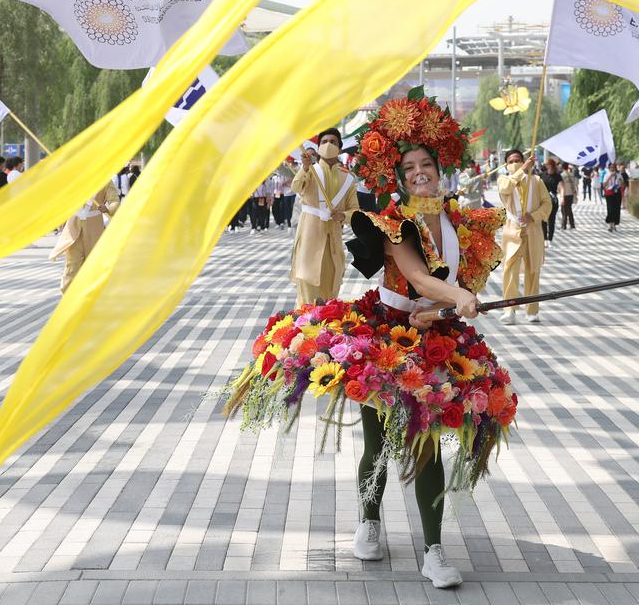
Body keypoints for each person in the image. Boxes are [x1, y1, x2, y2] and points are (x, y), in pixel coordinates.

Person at [223, 91, 513, 589]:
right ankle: (369, 519)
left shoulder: (461, 221)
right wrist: (450, 296)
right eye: (410, 167)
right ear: (398, 179)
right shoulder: (396, 222)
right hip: (385, 333)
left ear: (440, 169)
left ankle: (434, 550)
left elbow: (453, 287)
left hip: (436, 336)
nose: (420, 172)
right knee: (378, 441)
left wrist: (450, 305)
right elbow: (420, 279)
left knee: (429, 444)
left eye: (427, 164)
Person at [289, 127, 358, 306]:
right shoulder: (310, 172)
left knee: (330, 294)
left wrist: (343, 215)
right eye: (324, 142)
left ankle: (326, 333)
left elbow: (355, 212)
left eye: (333, 142)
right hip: (309, 240)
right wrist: (304, 167)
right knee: (307, 296)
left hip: (333, 242)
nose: (328, 145)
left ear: (340, 148)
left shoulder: (348, 179)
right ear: (318, 147)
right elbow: (296, 188)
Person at [498, 149, 552, 324]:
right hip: (512, 231)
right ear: (506, 164)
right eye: (511, 161)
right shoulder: (504, 180)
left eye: (518, 160)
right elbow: (506, 188)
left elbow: (547, 203)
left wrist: (534, 215)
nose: (515, 163)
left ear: (524, 160)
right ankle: (509, 309)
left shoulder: (536, 181)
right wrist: (523, 170)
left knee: (533, 270)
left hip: (533, 231)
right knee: (510, 270)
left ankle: (532, 310)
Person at [50, 181, 120, 293]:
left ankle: (89, 301)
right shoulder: (78, 176)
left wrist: (108, 209)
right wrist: (61, 224)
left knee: (93, 268)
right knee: (71, 269)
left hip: (94, 230)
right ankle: (67, 299)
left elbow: (115, 201)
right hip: (73, 230)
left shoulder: (105, 180)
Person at [539, 158, 561, 247]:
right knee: (543, 219)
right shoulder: (542, 175)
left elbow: (561, 186)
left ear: (551, 165)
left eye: (547, 164)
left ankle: (550, 239)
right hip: (543, 200)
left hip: (553, 200)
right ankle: (544, 239)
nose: (545, 166)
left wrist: (562, 197)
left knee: (552, 220)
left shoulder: (557, 176)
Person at [602, 162, 623, 232]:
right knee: (610, 209)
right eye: (611, 167)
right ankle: (610, 224)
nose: (612, 169)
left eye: (613, 167)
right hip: (609, 193)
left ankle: (614, 224)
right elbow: (604, 185)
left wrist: (620, 182)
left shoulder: (618, 174)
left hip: (617, 193)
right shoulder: (606, 175)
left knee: (616, 209)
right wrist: (610, 177)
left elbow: (622, 184)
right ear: (609, 168)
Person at [559, 162, 578, 230]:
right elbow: (576, 183)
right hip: (571, 194)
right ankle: (572, 224)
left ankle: (563, 225)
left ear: (562, 167)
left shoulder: (561, 175)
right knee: (569, 209)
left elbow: (560, 186)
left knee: (564, 210)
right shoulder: (572, 174)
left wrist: (560, 193)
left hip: (564, 194)